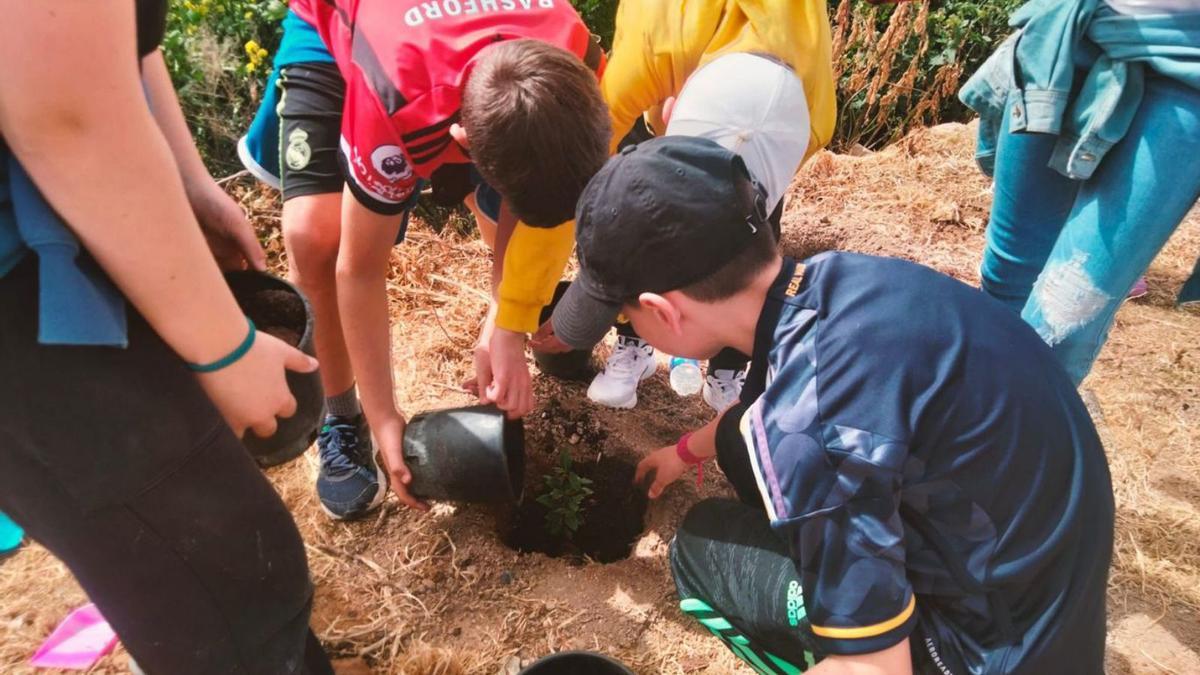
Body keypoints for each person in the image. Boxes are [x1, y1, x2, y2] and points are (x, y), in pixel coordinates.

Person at [571, 136, 1114, 674]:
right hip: (1041, 602)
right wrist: (684, 452)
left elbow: (876, 669)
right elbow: (772, 417)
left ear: (663, 312)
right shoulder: (836, 283)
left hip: (974, 653)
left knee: (698, 547)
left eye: (624, 318)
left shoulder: (807, 429)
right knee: (749, 449)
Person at [0, 2, 332, 673]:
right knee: (226, 582)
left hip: (69, 210)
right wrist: (226, 348)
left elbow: (127, 38)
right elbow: (64, 115)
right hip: (21, 290)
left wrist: (186, 181)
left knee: (213, 570)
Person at [239, 0, 611, 518]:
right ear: (460, 140)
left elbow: (529, 205)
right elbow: (360, 269)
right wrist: (385, 413)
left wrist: (504, 322)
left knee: (516, 190)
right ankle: (342, 417)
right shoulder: (394, 101)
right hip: (345, 33)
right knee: (314, 239)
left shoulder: (577, 56)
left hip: (438, 59)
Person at [532, 0, 836, 413]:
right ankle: (635, 345)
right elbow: (571, 188)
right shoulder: (653, 46)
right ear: (671, 109)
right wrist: (519, 301)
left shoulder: (812, 123)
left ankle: (729, 369)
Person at [960, 0, 1200, 385]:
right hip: (1069, 31)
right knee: (1004, 281)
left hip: (1189, 64)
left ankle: (1010, 436)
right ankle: (965, 418)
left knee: (1062, 323)